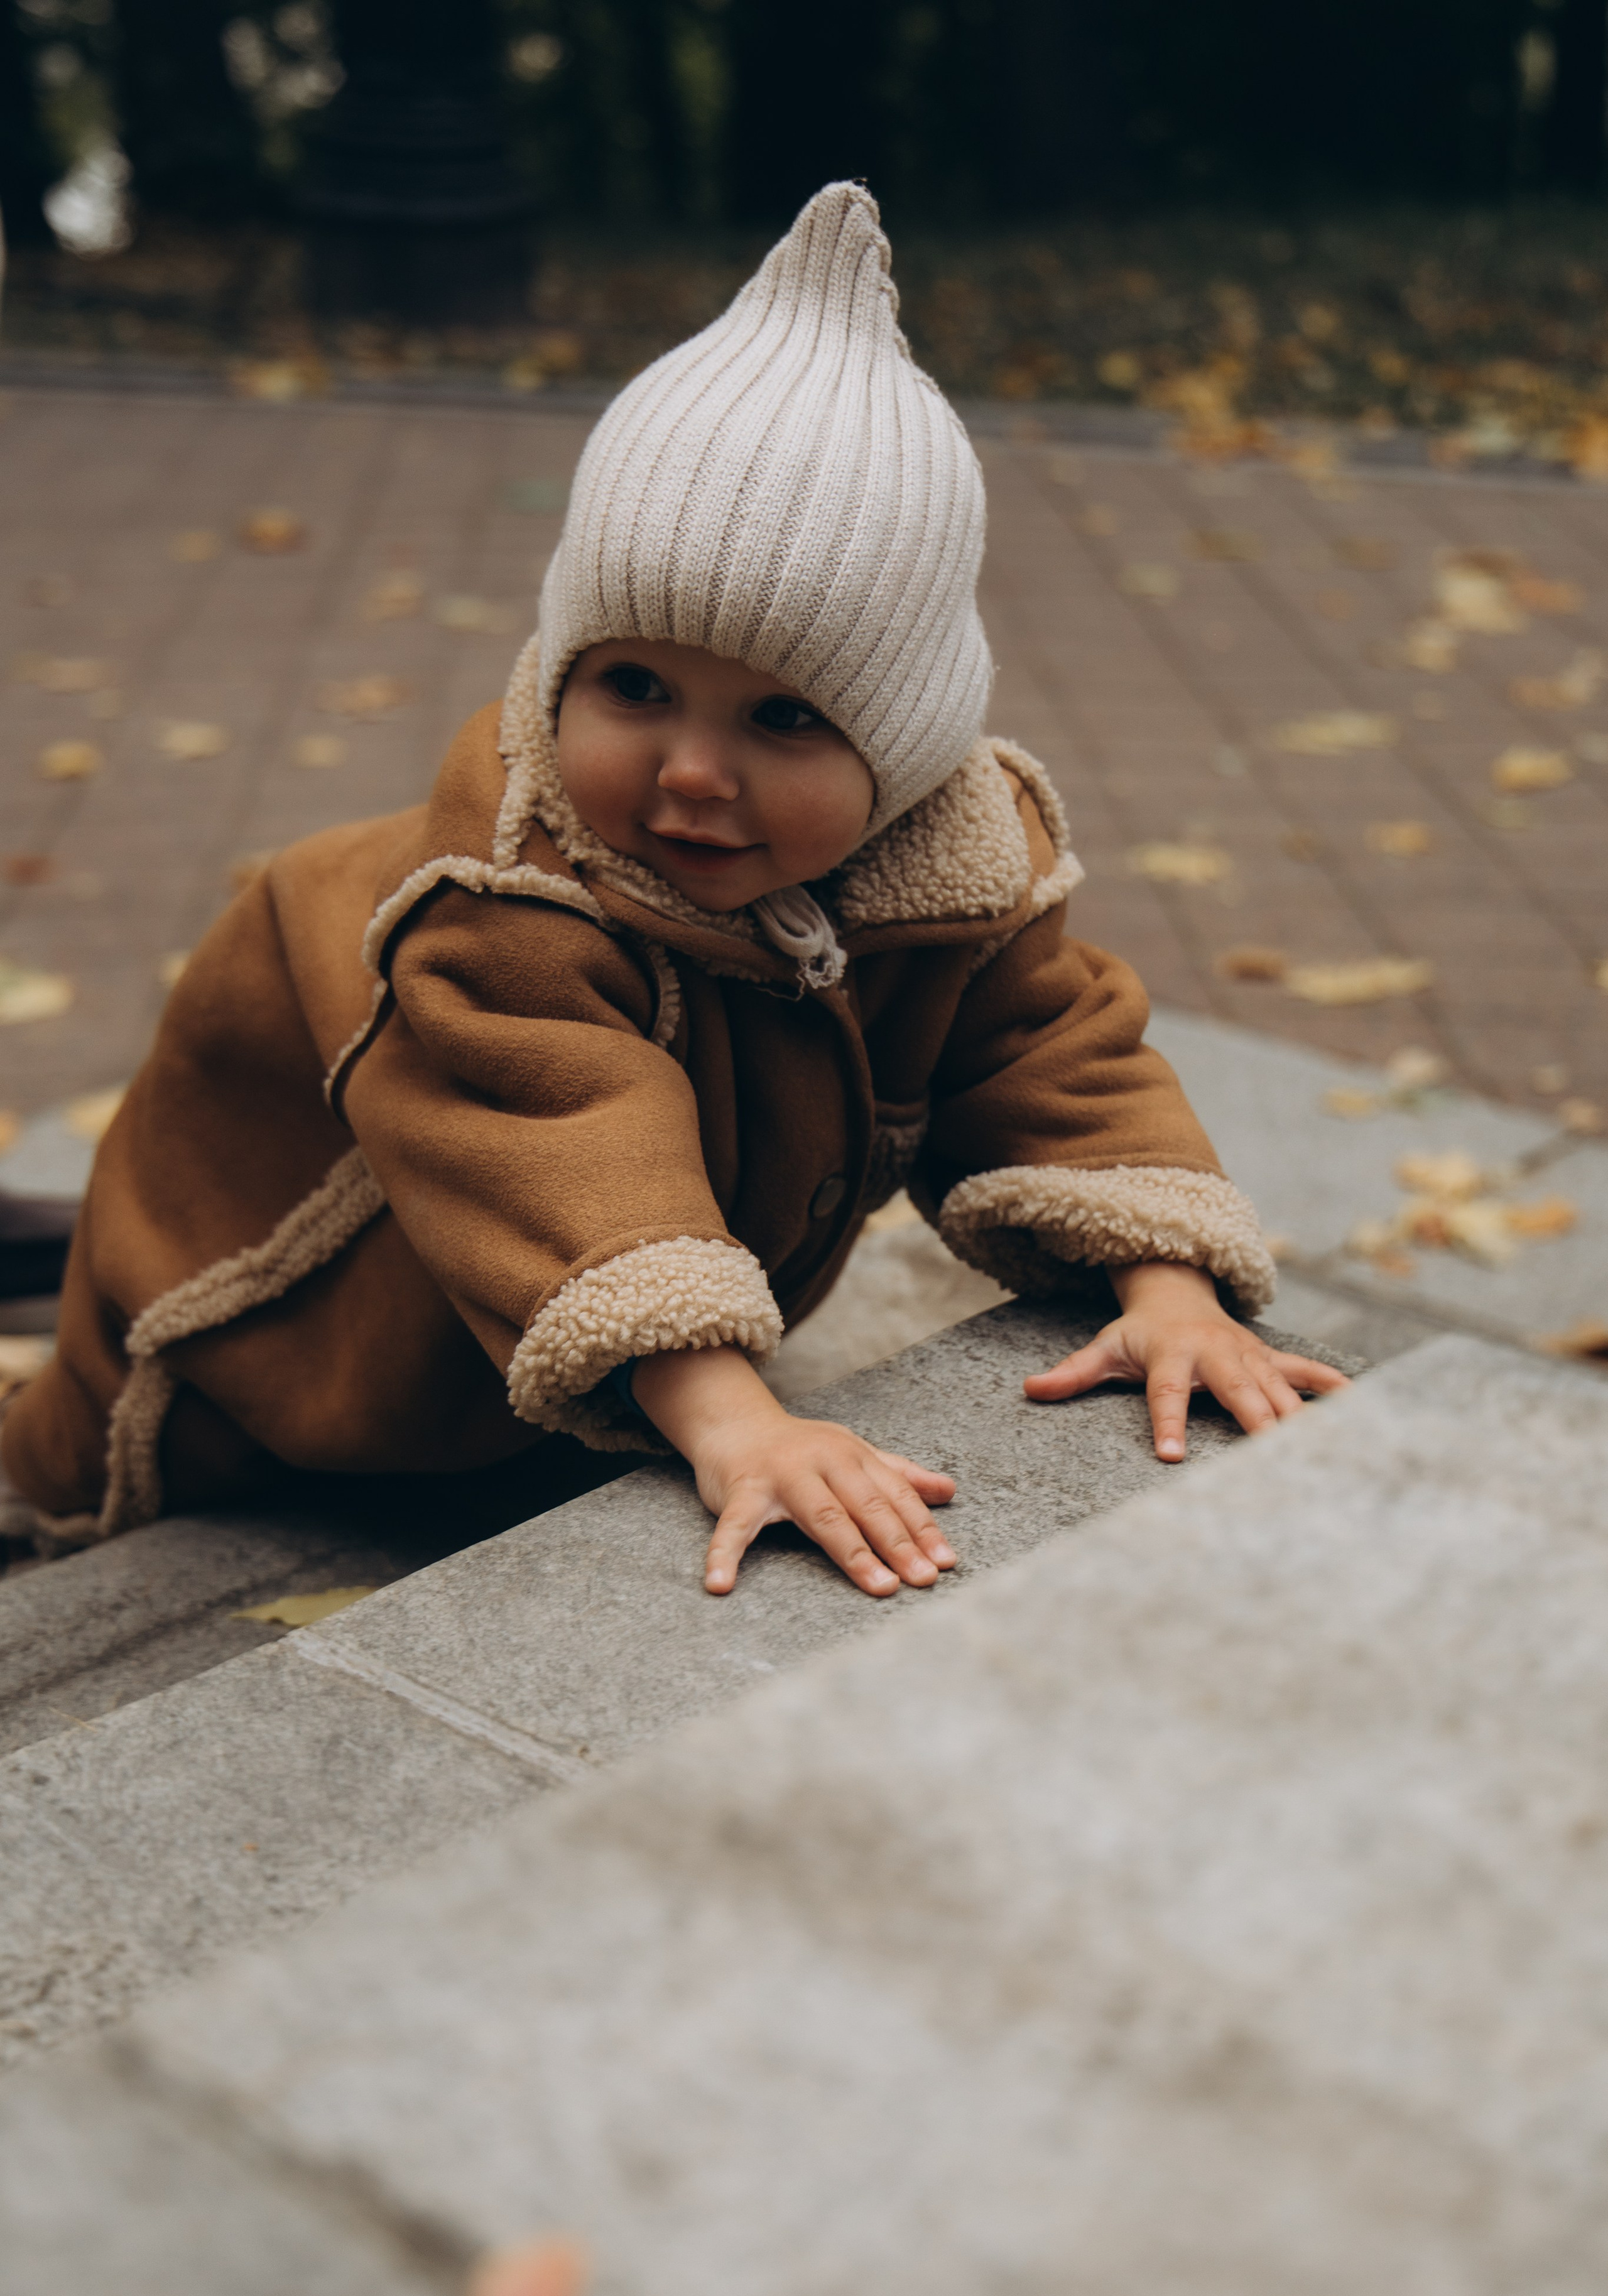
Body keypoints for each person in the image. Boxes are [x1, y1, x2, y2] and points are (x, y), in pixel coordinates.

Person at [0, 183, 1345, 1591]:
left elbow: (1049, 1060)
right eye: (634, 687)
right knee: (111, 1466)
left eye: (782, 721)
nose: (692, 773)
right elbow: (566, 1149)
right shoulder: (497, 912)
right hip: (292, 1304)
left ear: (900, 750)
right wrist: (736, 1423)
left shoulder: (951, 877)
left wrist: (1167, 1289)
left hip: (565, 1338)